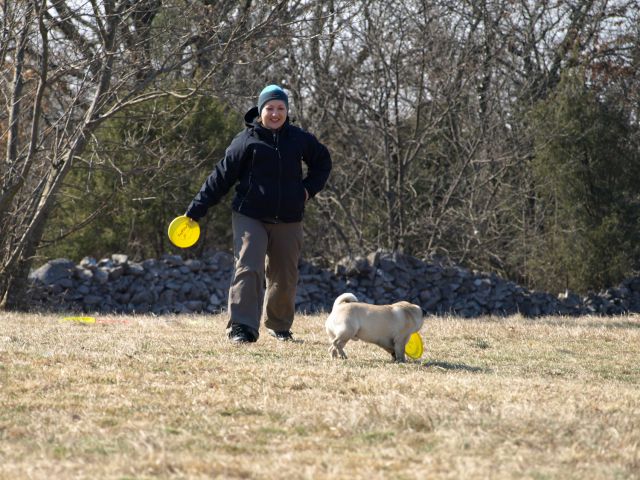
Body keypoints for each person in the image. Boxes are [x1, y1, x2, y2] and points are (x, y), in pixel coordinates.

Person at [185, 85, 332, 343]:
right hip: (250, 215)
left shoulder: (299, 139)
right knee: (248, 266)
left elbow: (323, 162)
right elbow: (220, 177)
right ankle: (242, 327)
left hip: (289, 216)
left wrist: (307, 191)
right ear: (260, 110)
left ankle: (279, 326)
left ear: (287, 111)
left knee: (284, 274)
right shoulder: (246, 141)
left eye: (280, 108)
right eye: (269, 108)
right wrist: (196, 209)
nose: (275, 114)